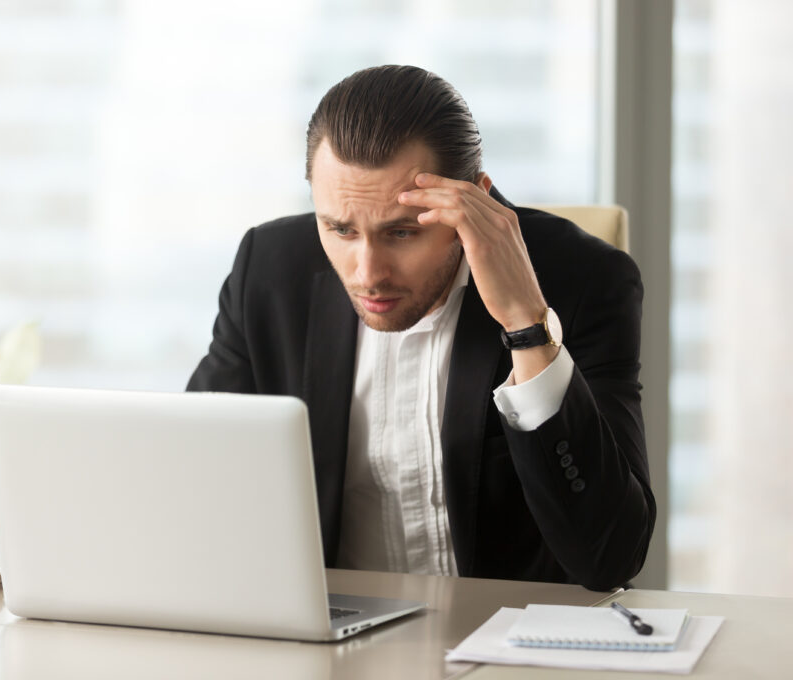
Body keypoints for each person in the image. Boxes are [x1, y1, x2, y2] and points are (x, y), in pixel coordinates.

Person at [187, 65, 655, 591]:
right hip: (329, 641)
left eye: (402, 232)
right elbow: (194, 482)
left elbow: (610, 556)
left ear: (472, 201)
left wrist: (526, 327)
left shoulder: (584, 280)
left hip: (507, 646)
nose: (367, 274)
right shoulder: (269, 271)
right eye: (340, 228)